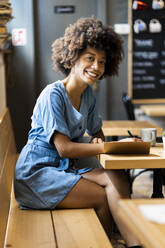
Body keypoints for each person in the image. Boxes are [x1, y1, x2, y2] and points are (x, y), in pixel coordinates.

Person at [14, 17, 142, 248]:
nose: (96, 67)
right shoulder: (53, 94)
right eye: (90, 59)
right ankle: (110, 242)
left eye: (102, 62)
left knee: (117, 177)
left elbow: (97, 132)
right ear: (73, 58)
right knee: (101, 196)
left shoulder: (88, 95)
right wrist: (115, 145)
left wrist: (98, 139)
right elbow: (64, 149)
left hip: (63, 169)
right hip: (37, 174)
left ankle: (126, 239)